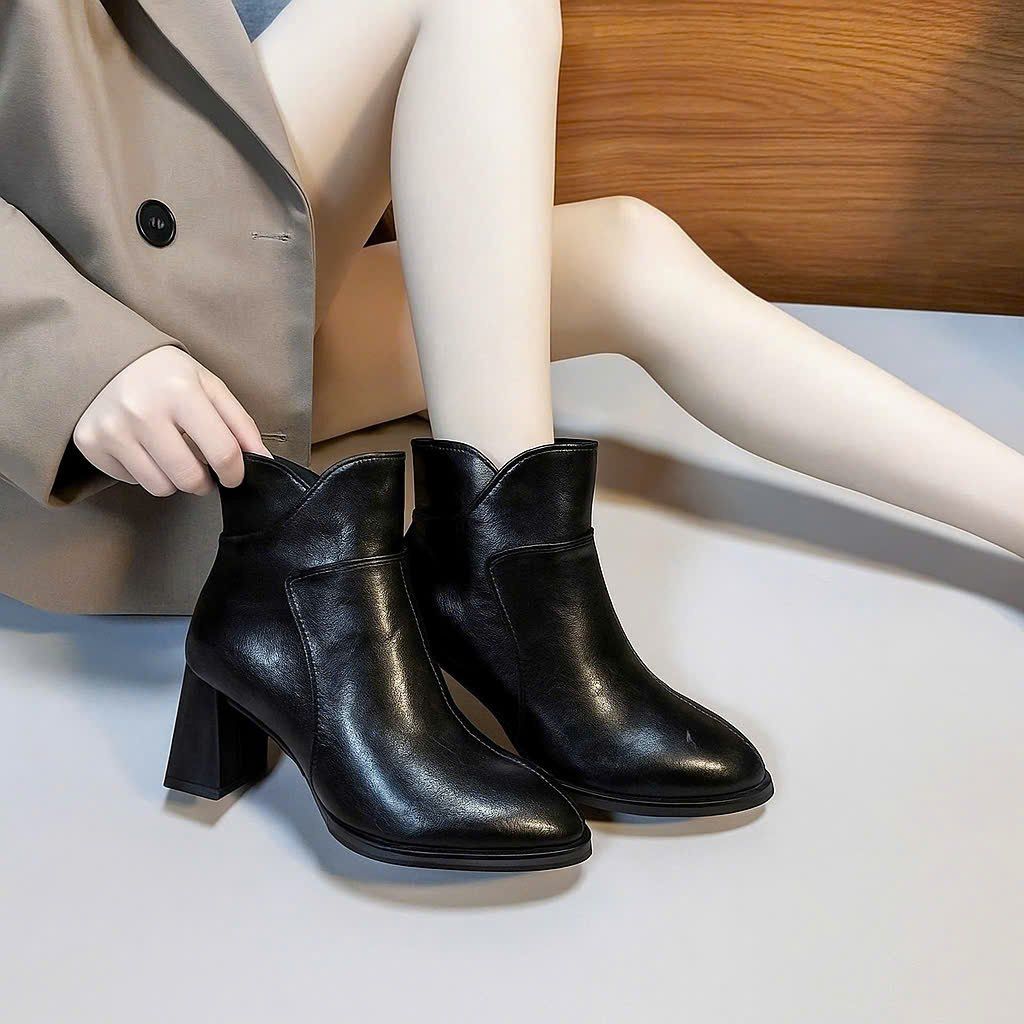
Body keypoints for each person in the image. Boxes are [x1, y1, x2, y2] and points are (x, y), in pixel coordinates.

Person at [1, 0, 1020, 870]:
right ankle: (504, 587)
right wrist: (74, 356)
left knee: (628, 254)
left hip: (213, 265)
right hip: (79, 370)